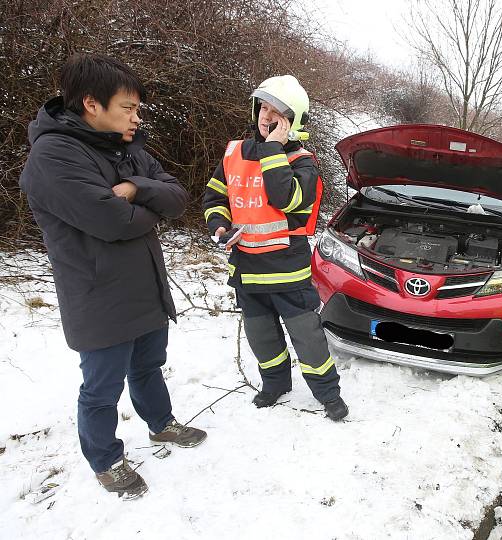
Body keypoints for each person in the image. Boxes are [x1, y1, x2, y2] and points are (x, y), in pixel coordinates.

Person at [19, 53, 206, 500]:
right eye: (129, 107)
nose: (136, 118)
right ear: (91, 103)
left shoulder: (126, 146)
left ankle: (161, 424)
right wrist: (146, 210)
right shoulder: (53, 155)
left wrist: (137, 189)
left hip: (144, 285)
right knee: (102, 387)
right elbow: (112, 222)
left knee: (149, 366)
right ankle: (105, 459)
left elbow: (178, 197)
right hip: (97, 294)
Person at [203, 75, 348, 421]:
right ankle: (275, 383)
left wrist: (271, 149)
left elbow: (285, 199)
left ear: (292, 121)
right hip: (247, 270)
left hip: (287, 271)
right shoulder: (235, 152)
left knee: (308, 340)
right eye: (263, 107)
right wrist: (219, 225)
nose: (266, 116)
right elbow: (215, 197)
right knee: (261, 337)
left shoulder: (303, 162)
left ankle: (328, 394)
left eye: (277, 112)